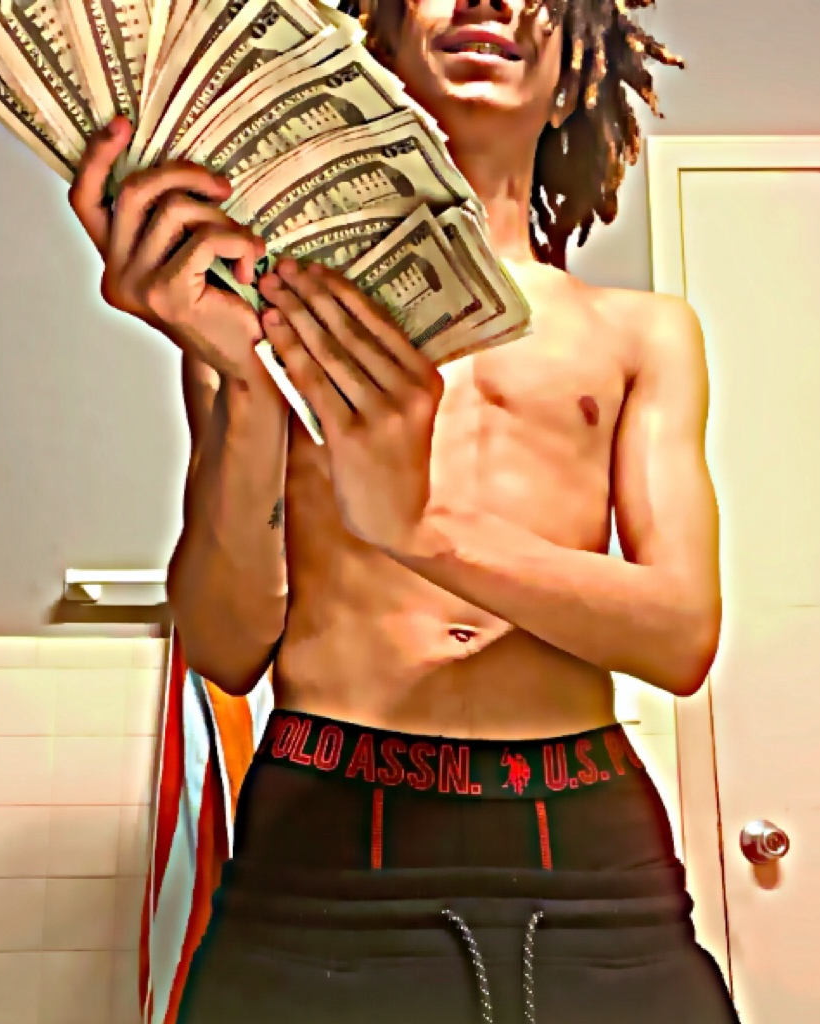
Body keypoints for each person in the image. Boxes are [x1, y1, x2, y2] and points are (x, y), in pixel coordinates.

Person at [69, 0, 738, 1020]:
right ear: (373, 49)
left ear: (574, 74)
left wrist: (420, 532)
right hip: (322, 834)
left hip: (590, 846)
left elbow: (681, 634)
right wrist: (245, 385)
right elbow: (225, 646)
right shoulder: (264, 321)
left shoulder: (643, 334)